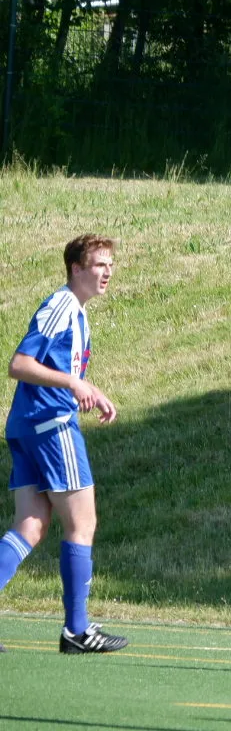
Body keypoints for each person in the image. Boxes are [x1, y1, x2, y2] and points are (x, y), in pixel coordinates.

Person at [0, 234, 127, 655]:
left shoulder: (76, 312)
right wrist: (73, 384)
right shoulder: (62, 305)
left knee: (30, 526)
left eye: (110, 265)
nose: (107, 272)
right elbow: (20, 364)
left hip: (28, 425)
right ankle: (77, 630)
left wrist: (87, 389)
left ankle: (77, 628)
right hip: (51, 427)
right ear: (76, 268)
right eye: (99, 264)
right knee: (82, 523)